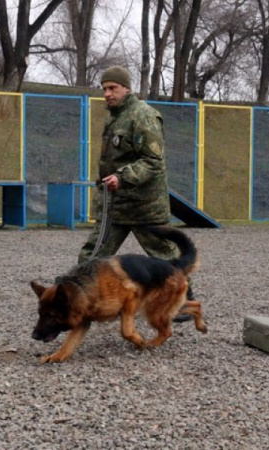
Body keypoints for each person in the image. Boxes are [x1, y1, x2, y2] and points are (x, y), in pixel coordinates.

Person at [78, 65, 195, 321]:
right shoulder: (115, 116)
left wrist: (123, 177)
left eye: (113, 88)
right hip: (117, 205)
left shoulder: (143, 116)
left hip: (144, 205)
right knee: (94, 252)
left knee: (164, 256)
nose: (107, 93)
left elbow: (153, 161)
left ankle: (183, 302)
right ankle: (76, 295)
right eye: (104, 88)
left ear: (126, 88)